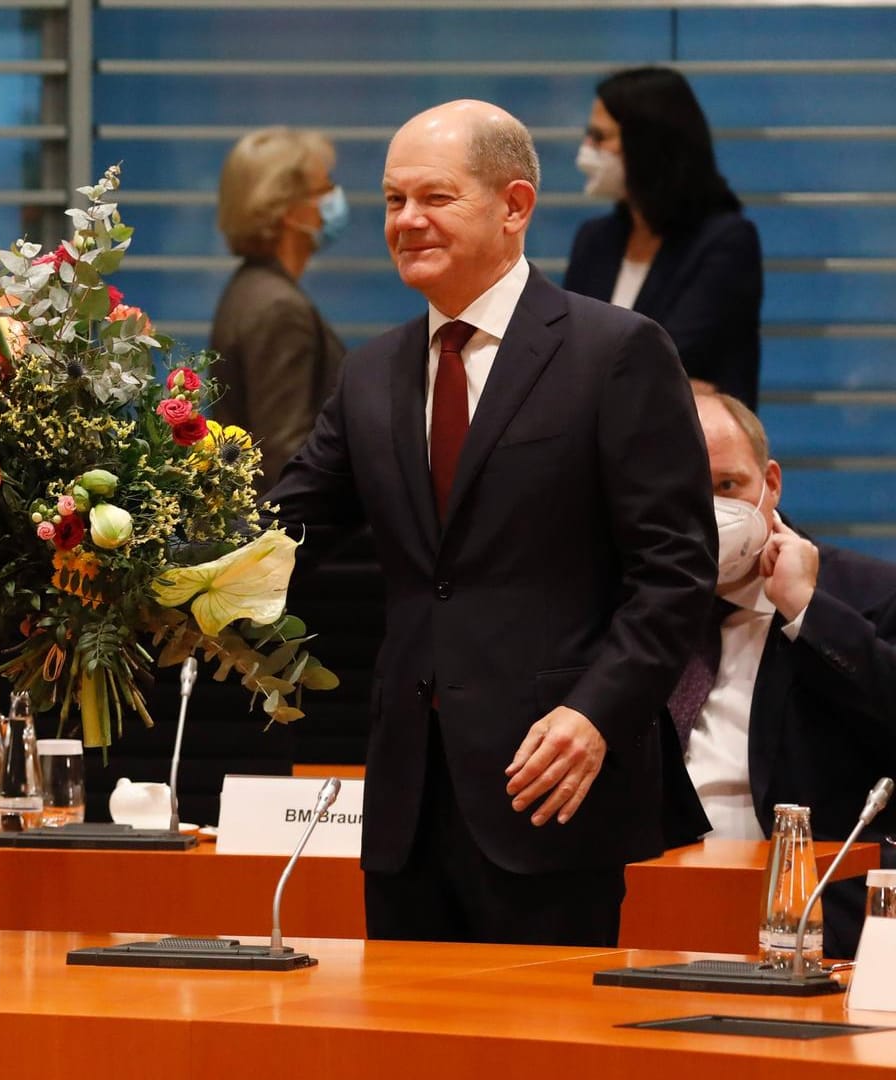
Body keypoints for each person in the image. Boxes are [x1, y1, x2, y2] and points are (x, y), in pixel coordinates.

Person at [265, 100, 716, 947]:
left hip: (550, 786)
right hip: (407, 807)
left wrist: (596, 715)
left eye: (434, 198)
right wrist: (110, 543)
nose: (406, 221)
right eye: (393, 201)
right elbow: (280, 538)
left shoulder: (615, 351)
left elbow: (675, 573)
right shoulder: (371, 374)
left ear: (514, 206)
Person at [667, 390, 896, 957]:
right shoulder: (626, 608)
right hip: (657, 913)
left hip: (820, 928)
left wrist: (805, 610)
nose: (710, 512)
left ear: (770, 483)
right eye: (685, 493)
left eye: (728, 486)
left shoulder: (869, 595)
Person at [564, 67, 762, 408]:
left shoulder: (726, 242)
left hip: (691, 451)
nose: (586, 150)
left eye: (600, 137)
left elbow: (664, 359)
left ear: (646, 145)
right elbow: (562, 355)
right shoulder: (594, 240)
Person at [208, 127, 347, 479]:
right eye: (324, 188)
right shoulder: (278, 308)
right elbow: (286, 454)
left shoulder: (248, 288)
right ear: (289, 210)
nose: (334, 197)